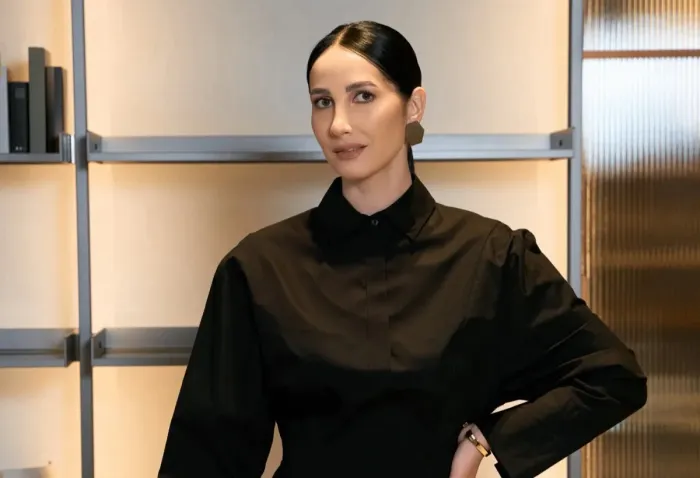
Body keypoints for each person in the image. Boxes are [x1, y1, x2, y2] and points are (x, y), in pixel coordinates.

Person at [157, 20, 647, 478]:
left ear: (413, 106)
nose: (338, 124)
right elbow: (206, 454)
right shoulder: (260, 267)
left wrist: (487, 439)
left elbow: (610, 376)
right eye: (323, 102)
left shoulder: (491, 256)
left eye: (363, 96)